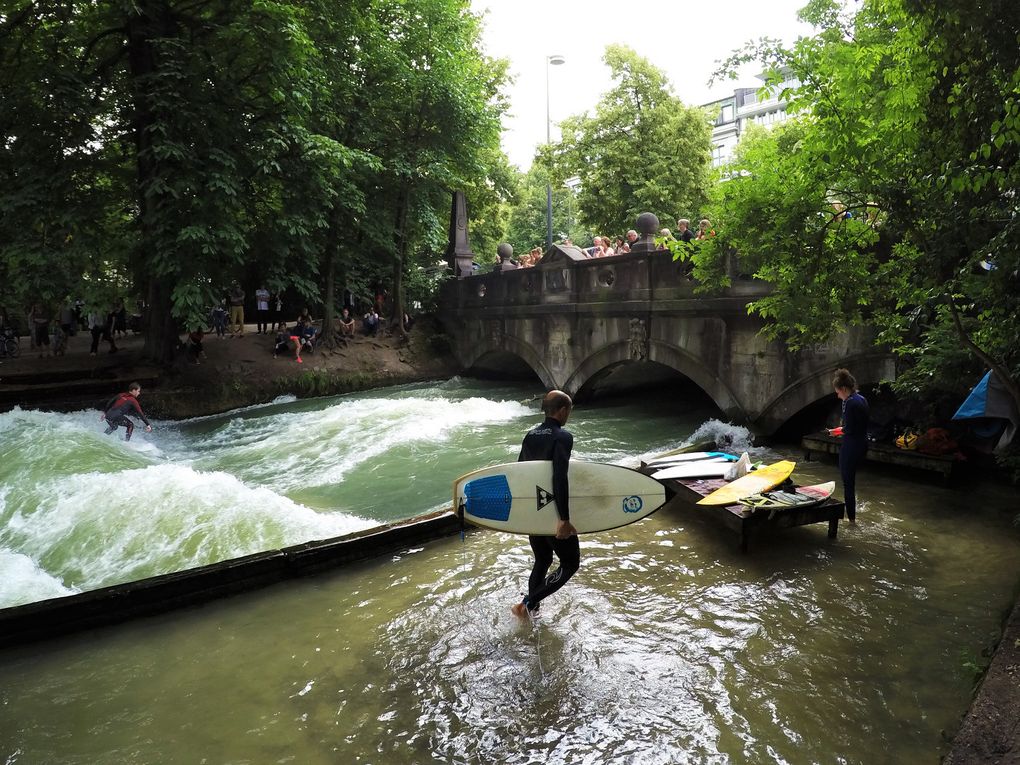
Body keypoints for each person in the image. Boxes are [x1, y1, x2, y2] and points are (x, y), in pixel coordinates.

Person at [511, 390, 579, 620]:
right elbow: (559, 477)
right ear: (562, 410)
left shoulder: (530, 436)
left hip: (534, 510)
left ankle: (531, 614)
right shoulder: (563, 437)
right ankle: (526, 603)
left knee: (543, 559)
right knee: (570, 563)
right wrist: (564, 519)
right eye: (568, 410)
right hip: (552, 511)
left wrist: (525, 513)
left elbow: (520, 474)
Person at [827, 368, 869, 523]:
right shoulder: (862, 399)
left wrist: (834, 432)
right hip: (862, 444)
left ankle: (851, 519)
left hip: (851, 446)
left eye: (838, 392)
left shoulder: (849, 403)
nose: (837, 395)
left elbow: (848, 429)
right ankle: (853, 512)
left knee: (848, 483)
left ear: (844, 389)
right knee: (851, 481)